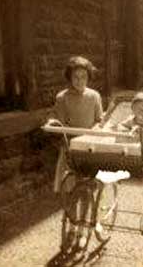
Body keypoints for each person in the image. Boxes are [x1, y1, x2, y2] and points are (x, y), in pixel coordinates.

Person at [45, 55, 104, 192]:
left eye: (83, 77)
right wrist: (53, 123)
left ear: (88, 77)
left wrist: (93, 131)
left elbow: (99, 120)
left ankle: (89, 205)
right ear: (69, 78)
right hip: (71, 144)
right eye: (75, 77)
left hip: (90, 143)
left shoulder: (94, 96)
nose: (79, 81)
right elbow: (59, 121)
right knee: (69, 185)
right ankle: (70, 207)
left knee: (90, 185)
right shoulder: (62, 97)